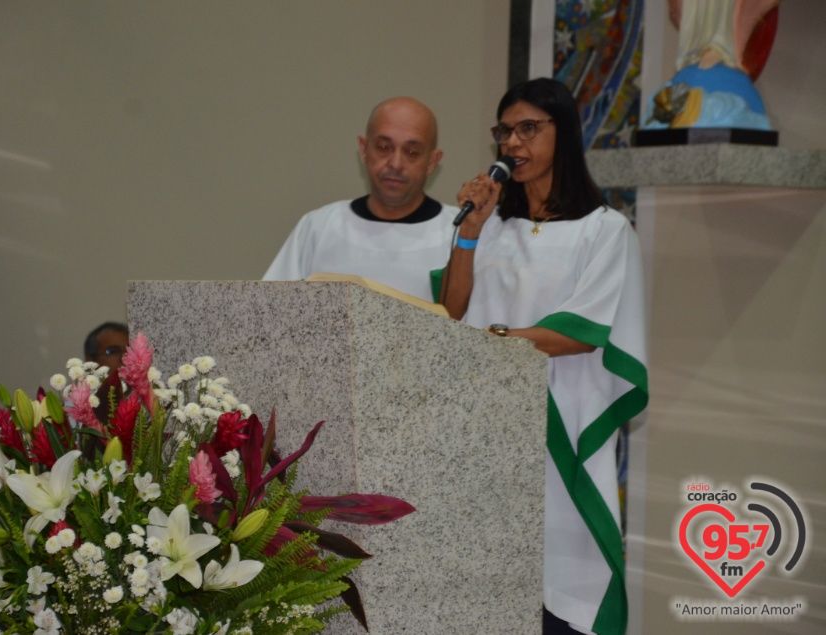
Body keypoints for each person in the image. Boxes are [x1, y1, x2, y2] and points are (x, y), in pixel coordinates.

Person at [442, 78, 648, 635]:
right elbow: (450, 310)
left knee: (558, 591)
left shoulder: (604, 232)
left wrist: (498, 342)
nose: (513, 142)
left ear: (565, 133)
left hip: (563, 419)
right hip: (485, 426)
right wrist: (469, 236)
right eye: (505, 130)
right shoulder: (487, 226)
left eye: (529, 128)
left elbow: (582, 331)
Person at [263, 96, 458, 302]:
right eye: (384, 147)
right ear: (364, 149)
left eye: (411, 152)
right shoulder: (318, 228)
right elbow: (270, 311)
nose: (395, 163)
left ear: (432, 161)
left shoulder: (458, 235)